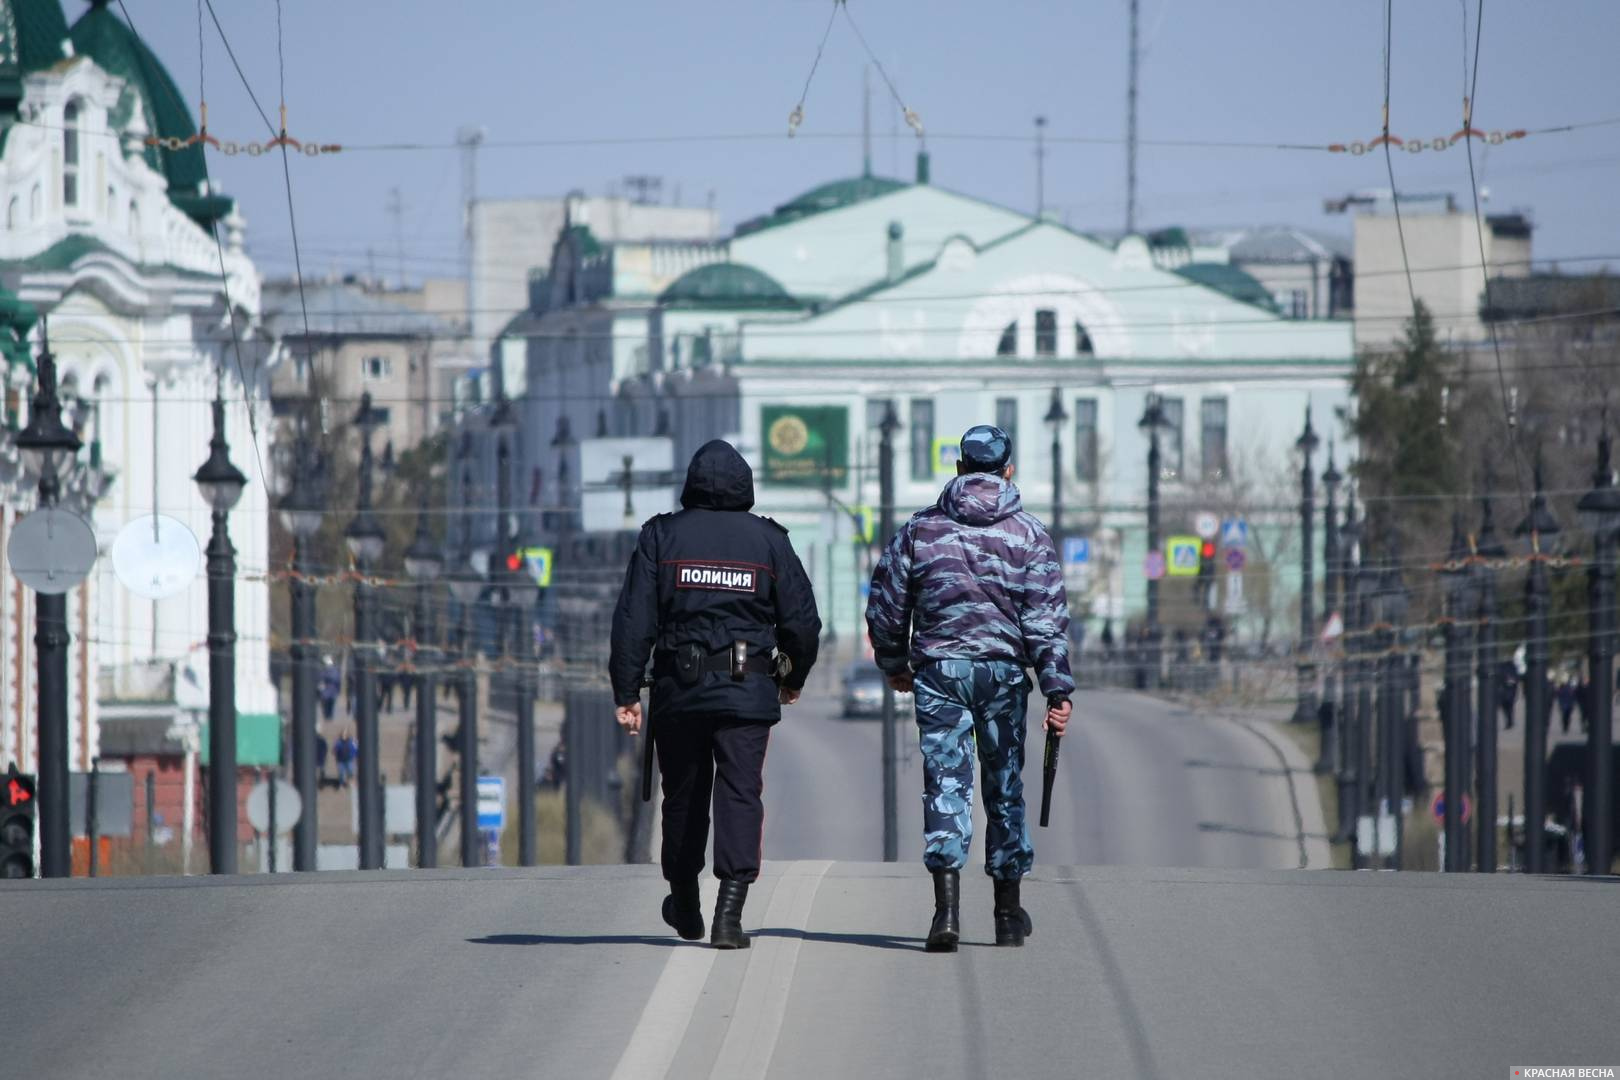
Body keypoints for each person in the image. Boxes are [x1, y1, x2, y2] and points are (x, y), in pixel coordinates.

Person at [866, 424, 1073, 952]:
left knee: (946, 785)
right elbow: (1045, 621)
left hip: (939, 674)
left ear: (958, 467)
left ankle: (946, 914)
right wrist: (1057, 690)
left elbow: (887, 603)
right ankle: (1007, 914)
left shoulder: (922, 530)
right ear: (1009, 470)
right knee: (1004, 784)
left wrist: (894, 663)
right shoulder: (1030, 535)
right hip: (1004, 677)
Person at [610, 439, 821, 949]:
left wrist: (626, 690)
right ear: (745, 485)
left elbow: (634, 620)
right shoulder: (769, 542)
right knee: (740, 794)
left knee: (683, 796)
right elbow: (803, 622)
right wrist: (792, 678)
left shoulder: (661, 536)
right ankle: (729, 914)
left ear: (691, 484)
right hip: (747, 691)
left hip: (679, 692)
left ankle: (685, 903)